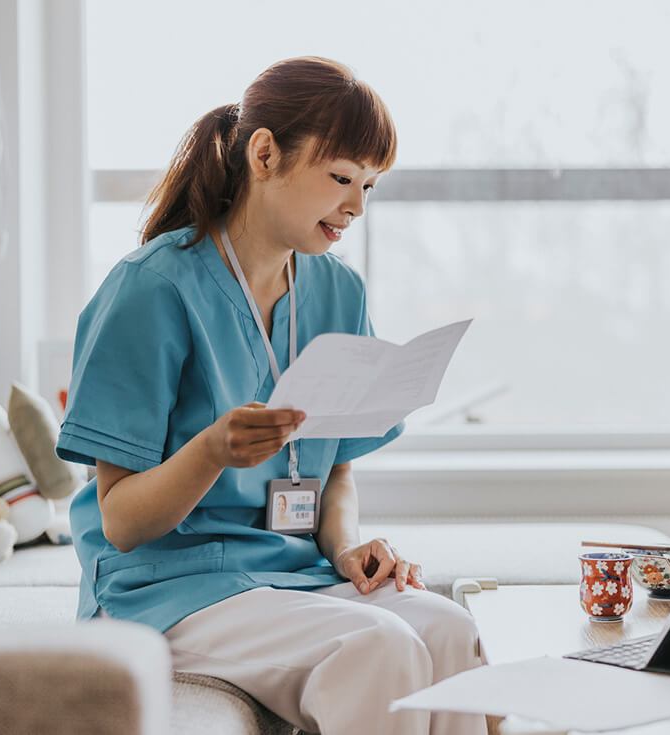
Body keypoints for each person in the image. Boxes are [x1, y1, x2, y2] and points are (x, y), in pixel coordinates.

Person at [56, 56, 485, 735]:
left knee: (451, 629)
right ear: (264, 154)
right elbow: (121, 523)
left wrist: (343, 547)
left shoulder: (338, 291)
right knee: (379, 646)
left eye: (370, 186)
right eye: (341, 177)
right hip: (165, 591)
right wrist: (211, 450)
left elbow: (336, 465)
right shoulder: (151, 288)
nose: (356, 206)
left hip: (288, 577)